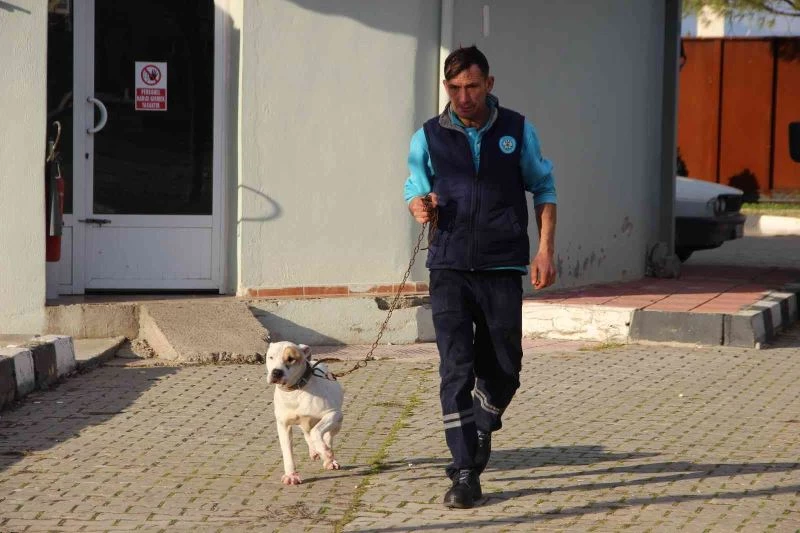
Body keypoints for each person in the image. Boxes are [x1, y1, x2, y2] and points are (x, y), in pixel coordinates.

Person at [404, 46, 557, 509]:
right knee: (455, 368)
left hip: (502, 265)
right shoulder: (428, 136)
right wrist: (419, 205)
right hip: (448, 267)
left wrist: (545, 250)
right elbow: (415, 188)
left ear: (489, 84)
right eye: (454, 88)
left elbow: (543, 187)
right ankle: (465, 471)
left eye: (472, 87)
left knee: (506, 367)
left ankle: (483, 421)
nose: (463, 97)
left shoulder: (517, 130)